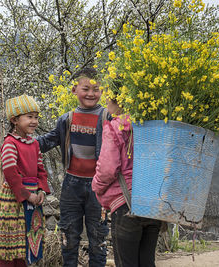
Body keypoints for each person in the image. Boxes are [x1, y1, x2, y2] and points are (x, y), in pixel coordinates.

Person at [37, 68, 109, 267]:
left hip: (99, 186)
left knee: (98, 237)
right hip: (71, 184)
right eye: (85, 88)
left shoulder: (107, 118)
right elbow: (46, 142)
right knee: (68, 236)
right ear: (74, 90)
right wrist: (21, 143)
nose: (91, 94)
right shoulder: (66, 120)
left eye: (96, 89)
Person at [92, 97, 161, 267]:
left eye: (107, 99)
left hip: (125, 205)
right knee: (147, 263)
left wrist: (96, 187)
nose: (106, 105)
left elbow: (108, 169)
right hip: (153, 204)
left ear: (119, 101)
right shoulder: (156, 125)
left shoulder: (116, 127)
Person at [0, 94, 51, 267]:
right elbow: (10, 173)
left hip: (33, 199)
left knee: (26, 245)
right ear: (15, 120)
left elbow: (40, 170)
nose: (34, 121)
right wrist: (26, 195)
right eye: (29, 117)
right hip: (13, 201)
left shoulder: (34, 144)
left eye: (36, 117)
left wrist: (41, 191)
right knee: (10, 247)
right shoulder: (10, 143)